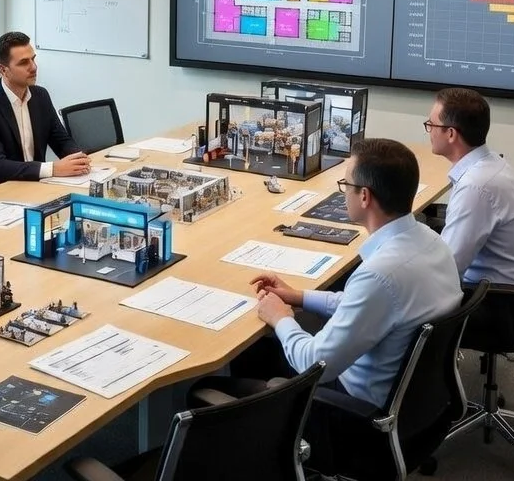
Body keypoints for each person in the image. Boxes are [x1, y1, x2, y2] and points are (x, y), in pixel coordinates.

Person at [192, 138, 461, 475]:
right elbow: (363, 304)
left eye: (346, 185)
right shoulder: (431, 242)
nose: (342, 192)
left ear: (365, 197)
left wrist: (281, 318)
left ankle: (265, 454)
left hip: (358, 416)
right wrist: (300, 297)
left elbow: (313, 362)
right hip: (416, 405)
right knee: (262, 350)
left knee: (213, 386)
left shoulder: (380, 275)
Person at [425, 88, 514, 287]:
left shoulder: (476, 187)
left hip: (501, 300)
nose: (429, 130)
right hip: (510, 282)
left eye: (431, 124)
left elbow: (447, 270)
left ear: (451, 134)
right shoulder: (492, 163)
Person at [0, 31, 88, 187]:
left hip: (35, 184)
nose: (33, 67)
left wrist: (78, 159)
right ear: (3, 70)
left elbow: (61, 140)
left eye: (33, 59)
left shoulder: (40, 96)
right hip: (0, 191)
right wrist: (53, 168)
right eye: (24, 62)